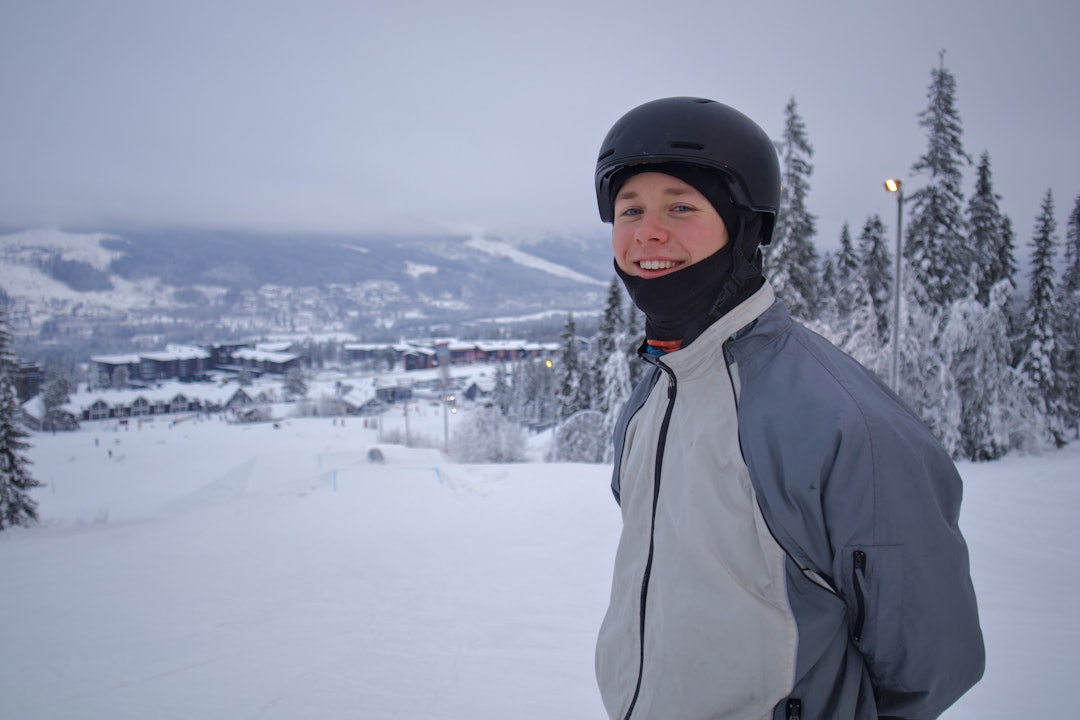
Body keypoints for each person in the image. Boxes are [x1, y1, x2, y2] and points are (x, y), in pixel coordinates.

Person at [592, 97, 984, 720]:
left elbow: (930, 662)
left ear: (747, 226)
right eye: (629, 209)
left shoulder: (842, 423)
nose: (648, 233)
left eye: (682, 207)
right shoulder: (652, 398)